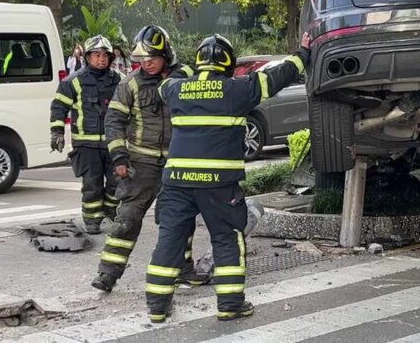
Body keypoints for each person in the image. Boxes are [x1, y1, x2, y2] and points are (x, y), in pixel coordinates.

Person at [145, 33, 310, 323]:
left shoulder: (174, 89)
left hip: (176, 182)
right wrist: (303, 53)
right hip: (218, 185)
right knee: (226, 239)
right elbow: (276, 76)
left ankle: (157, 308)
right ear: (228, 63)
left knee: (169, 240)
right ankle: (230, 305)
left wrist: (182, 68)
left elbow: (164, 85)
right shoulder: (238, 90)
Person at [91, 25, 207, 293]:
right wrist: (119, 157)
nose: (147, 63)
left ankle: (183, 269)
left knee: (179, 219)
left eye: (152, 57)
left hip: (177, 163)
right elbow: (114, 121)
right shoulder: (130, 83)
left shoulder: (186, 77)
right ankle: (107, 274)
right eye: (142, 59)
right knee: (128, 218)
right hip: (140, 165)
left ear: (167, 53)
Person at [50, 36, 122, 234]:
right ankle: (92, 220)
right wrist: (56, 133)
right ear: (88, 57)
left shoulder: (119, 80)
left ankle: (110, 209)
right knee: (92, 184)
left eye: (105, 56)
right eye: (97, 55)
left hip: (113, 142)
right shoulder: (72, 82)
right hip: (85, 144)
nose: (101, 60)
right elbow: (58, 108)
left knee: (117, 182)